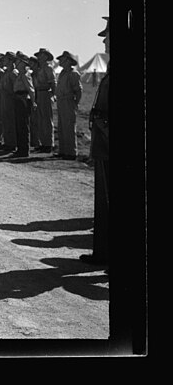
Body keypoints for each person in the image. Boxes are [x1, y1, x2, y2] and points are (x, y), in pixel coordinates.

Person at [81, 17, 109, 265]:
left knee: (109, 204)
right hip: (103, 143)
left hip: (109, 143)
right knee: (103, 204)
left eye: (109, 35)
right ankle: (103, 253)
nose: (105, 40)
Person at [55, 50, 82, 160]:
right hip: (61, 101)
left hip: (68, 101)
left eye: (62, 59)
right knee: (62, 127)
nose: (60, 61)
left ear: (68, 61)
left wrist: (75, 103)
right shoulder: (62, 73)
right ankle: (63, 150)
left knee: (69, 127)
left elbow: (78, 90)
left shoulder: (73, 73)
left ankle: (71, 152)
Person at [10, 51, 36, 158]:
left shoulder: (25, 76)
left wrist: (33, 102)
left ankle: (24, 150)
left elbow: (31, 90)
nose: (15, 63)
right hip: (18, 99)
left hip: (23, 100)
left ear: (22, 63)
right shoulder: (19, 75)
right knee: (19, 125)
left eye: (17, 61)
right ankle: (20, 148)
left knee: (23, 126)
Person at [32, 48, 57, 153]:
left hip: (45, 93)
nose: (40, 57)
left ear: (47, 57)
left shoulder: (48, 68)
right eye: (39, 55)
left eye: (42, 55)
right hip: (38, 93)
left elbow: (53, 83)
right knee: (40, 119)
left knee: (47, 119)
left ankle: (49, 144)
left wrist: (52, 94)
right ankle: (43, 142)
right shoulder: (38, 69)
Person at [0, 52, 18, 152]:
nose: (4, 61)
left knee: (11, 121)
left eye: (6, 59)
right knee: (5, 120)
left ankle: (12, 143)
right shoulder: (6, 72)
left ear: (11, 60)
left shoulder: (14, 73)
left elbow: (15, 88)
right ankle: (7, 142)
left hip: (11, 99)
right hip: (4, 99)